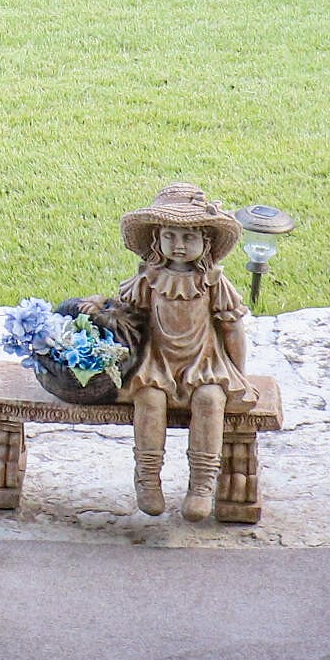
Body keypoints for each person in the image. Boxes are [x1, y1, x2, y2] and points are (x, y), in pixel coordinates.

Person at [115, 183, 259, 521]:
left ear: (206, 242)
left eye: (189, 237)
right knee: (149, 400)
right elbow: (126, 320)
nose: (179, 244)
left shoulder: (213, 281)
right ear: (157, 239)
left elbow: (232, 328)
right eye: (170, 236)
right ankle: (148, 477)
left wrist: (239, 375)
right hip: (157, 363)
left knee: (210, 400)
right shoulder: (148, 279)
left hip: (204, 364)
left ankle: (202, 484)